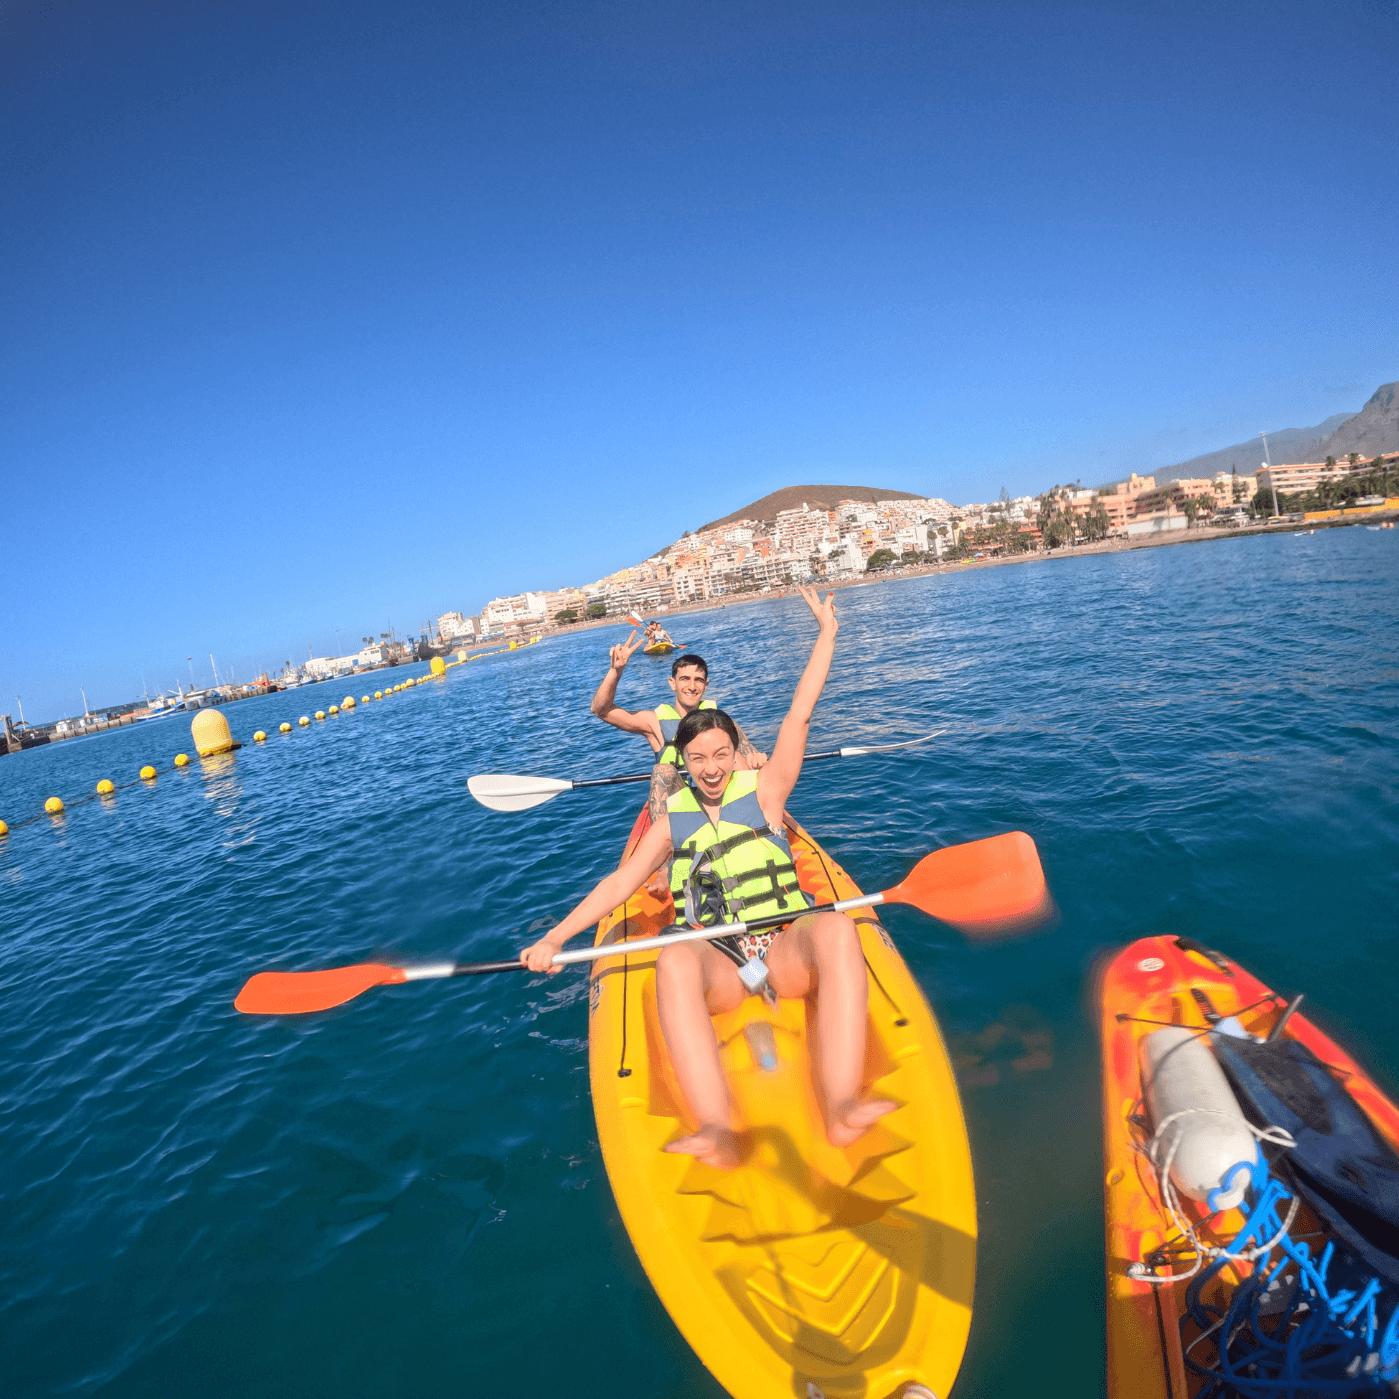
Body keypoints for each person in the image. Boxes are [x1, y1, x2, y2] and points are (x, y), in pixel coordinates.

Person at [526, 585, 894, 1170]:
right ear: (684, 762)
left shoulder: (768, 791)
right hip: (721, 959)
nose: (711, 768)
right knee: (672, 958)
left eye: (721, 754)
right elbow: (619, 886)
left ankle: (842, 1102)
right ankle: (717, 1127)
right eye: (698, 759)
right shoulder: (672, 820)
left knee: (835, 928)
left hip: (783, 948)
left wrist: (827, 635)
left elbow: (800, 711)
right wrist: (554, 938)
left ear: (738, 752)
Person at [590, 636, 765, 823]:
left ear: (705, 685)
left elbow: (748, 752)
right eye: (684, 679)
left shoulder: (721, 721)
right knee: (662, 771)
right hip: (681, 805)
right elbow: (601, 710)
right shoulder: (654, 723)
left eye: (698, 680)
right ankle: (666, 843)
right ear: (673, 683)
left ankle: (756, 824)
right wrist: (616, 671)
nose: (691, 686)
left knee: (737, 757)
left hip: (720, 798)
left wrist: (755, 759)